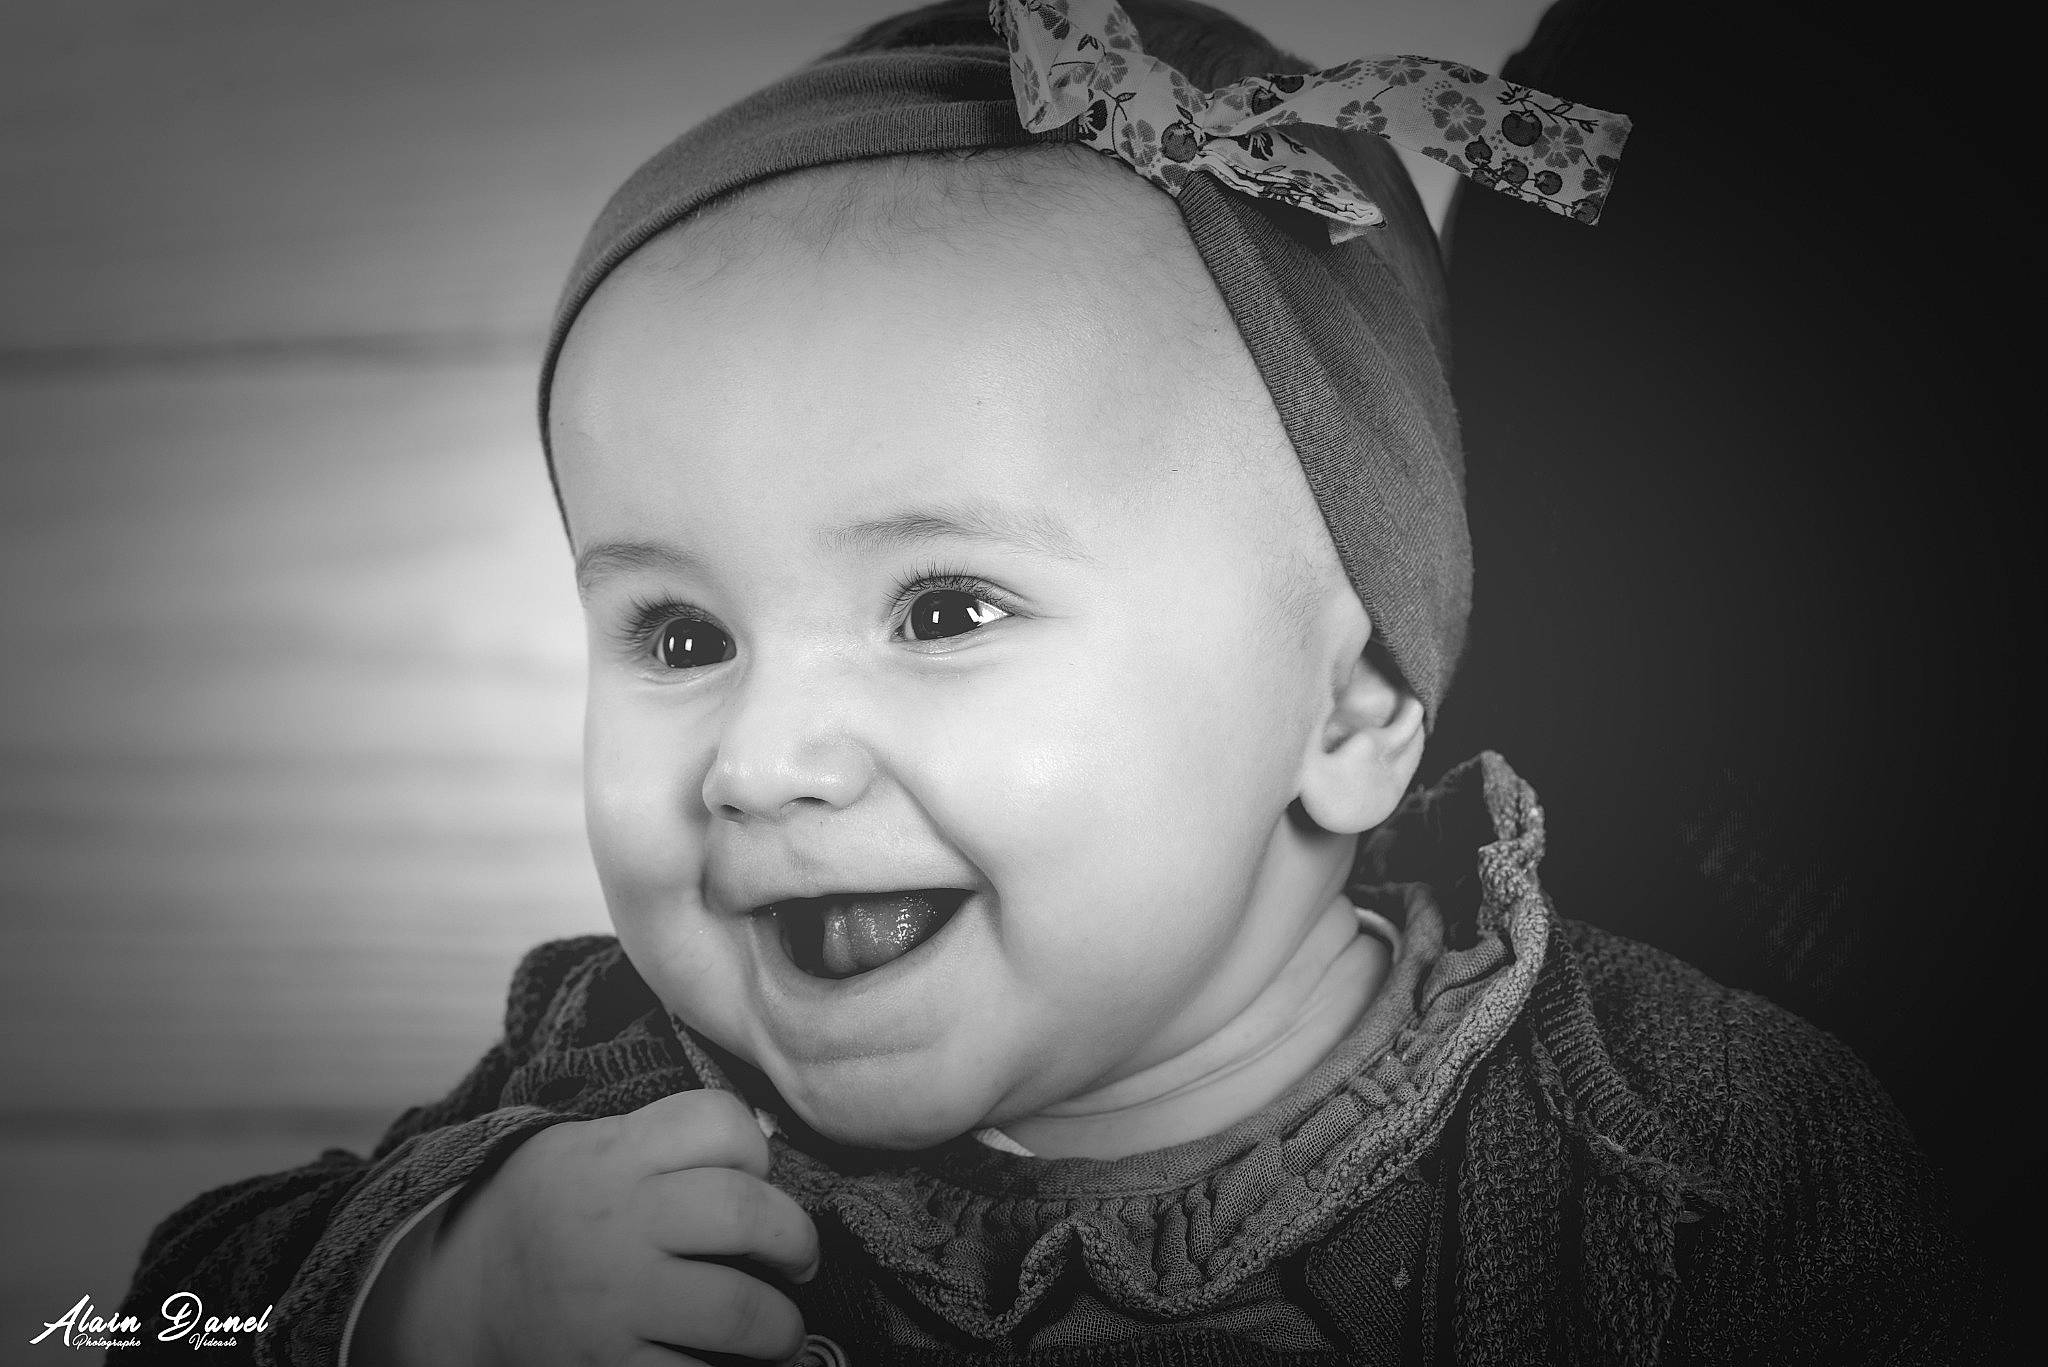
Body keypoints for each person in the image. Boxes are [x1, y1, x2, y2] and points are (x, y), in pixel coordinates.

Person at [113, 2, 1995, 1362]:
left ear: (1345, 713)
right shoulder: (606, 1094)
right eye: (683, 639)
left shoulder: (1688, 1161)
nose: (759, 764)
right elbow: (128, 1324)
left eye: (944, 609)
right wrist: (415, 1302)